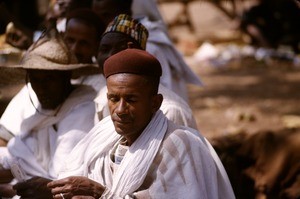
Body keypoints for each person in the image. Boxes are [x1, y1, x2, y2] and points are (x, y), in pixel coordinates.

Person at [45, 48, 235, 199]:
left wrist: (101, 194)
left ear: (155, 103)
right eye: (113, 98)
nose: (120, 109)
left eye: (131, 99)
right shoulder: (103, 136)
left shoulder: (179, 145)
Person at [0, 27, 96, 198]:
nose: (41, 88)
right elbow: (17, 153)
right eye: (35, 80)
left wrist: (13, 189)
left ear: (66, 77)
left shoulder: (82, 109)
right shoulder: (42, 110)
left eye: (49, 79)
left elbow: (61, 179)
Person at [95, 14, 198, 129]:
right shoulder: (105, 96)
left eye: (131, 99)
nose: (108, 57)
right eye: (104, 50)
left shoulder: (169, 111)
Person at [92, 0, 202, 102]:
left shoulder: (149, 49)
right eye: (96, 17)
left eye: (105, 15)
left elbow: (167, 95)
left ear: (126, 11)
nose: (100, 22)